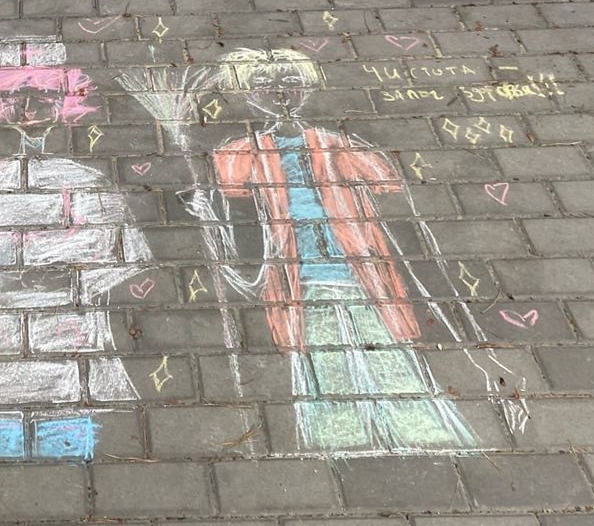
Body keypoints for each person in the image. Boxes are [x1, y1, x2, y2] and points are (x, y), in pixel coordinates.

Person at [202, 48, 477, 455]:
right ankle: (341, 440)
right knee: (321, 358)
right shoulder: (237, 154)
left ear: (306, 88)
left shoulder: (337, 145)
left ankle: (421, 434)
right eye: (264, 85)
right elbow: (235, 215)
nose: (280, 92)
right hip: (298, 274)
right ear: (248, 94)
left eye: (290, 83)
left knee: (385, 354)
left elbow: (388, 186)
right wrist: (209, 212)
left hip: (356, 268)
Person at [0, 38, 153, 460]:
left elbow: (120, 254)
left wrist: (47, 275)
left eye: (43, 96)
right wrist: (8, 278)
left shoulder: (89, 183)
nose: (29, 108)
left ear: (64, 101)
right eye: (16, 97)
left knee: (73, 437)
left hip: (72, 338)